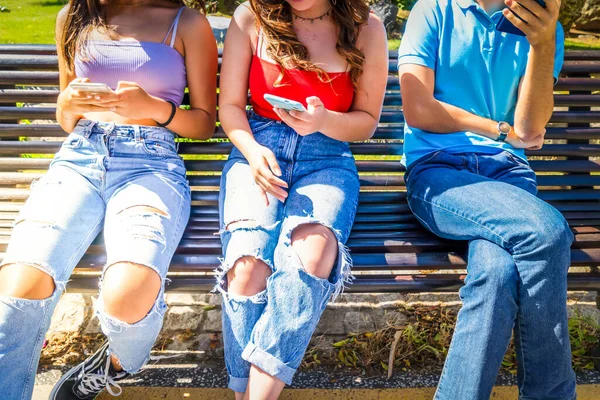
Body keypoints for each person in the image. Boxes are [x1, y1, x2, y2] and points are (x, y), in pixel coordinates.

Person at [0, 0, 217, 398]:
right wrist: (66, 105)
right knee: (19, 284)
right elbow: (67, 114)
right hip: (79, 160)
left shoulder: (186, 22)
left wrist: (153, 108)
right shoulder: (74, 15)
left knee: (127, 294)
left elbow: (204, 122)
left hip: (150, 166)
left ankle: (116, 363)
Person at [398, 0, 574, 398]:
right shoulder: (434, 10)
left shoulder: (544, 29)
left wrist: (543, 44)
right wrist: (497, 129)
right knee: (546, 231)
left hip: (508, 174)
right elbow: (418, 109)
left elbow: (529, 128)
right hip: (438, 170)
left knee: (495, 276)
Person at [217, 0, 388, 397]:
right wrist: (251, 151)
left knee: (312, 252)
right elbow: (229, 106)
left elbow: (365, 121)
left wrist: (323, 120)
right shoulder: (251, 17)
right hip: (257, 151)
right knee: (247, 266)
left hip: (327, 156)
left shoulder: (366, 27)